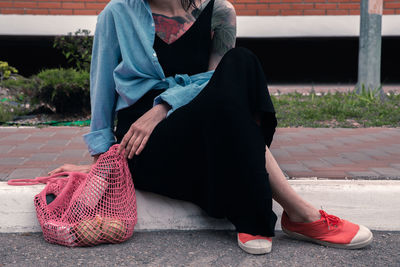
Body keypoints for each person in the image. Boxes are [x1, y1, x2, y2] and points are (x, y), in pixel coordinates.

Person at [49, 0, 373, 254]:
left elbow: (220, 86)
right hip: (143, 142)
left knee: (241, 62)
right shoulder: (117, 12)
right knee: (234, 101)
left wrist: (163, 106)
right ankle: (297, 215)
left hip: (199, 128)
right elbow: (101, 87)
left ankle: (276, 217)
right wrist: (101, 162)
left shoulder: (220, 12)